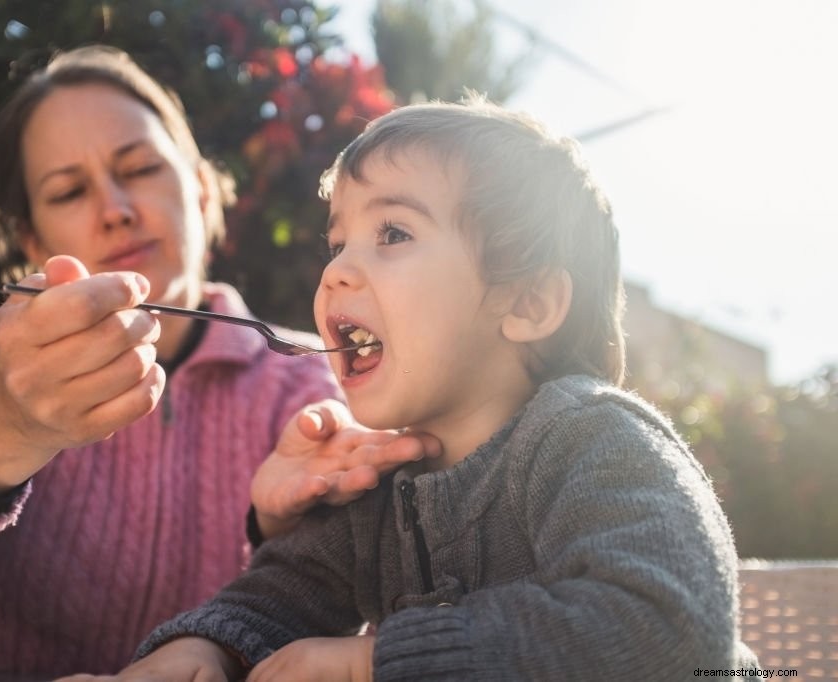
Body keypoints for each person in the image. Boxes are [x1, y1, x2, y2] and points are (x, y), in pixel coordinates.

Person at [0, 45, 437, 679]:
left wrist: (296, 530)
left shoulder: (317, 378)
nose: (114, 207)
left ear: (198, 189)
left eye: (139, 168)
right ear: (33, 241)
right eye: (69, 191)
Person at [108, 96, 760, 681]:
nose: (336, 270)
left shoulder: (593, 437)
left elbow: (669, 631)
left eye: (392, 233)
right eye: (338, 242)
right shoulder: (383, 480)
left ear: (529, 302)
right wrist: (202, 650)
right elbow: (283, 594)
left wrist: (375, 662)